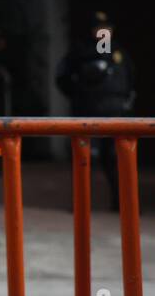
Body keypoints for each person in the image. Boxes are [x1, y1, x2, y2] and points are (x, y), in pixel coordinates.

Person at [55, 11, 136, 211]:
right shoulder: (81, 52)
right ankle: (81, 204)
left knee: (116, 159)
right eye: (99, 28)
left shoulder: (118, 52)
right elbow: (63, 78)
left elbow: (130, 80)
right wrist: (80, 97)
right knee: (85, 158)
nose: (103, 31)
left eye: (107, 27)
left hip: (115, 114)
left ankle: (121, 203)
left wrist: (125, 102)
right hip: (87, 112)